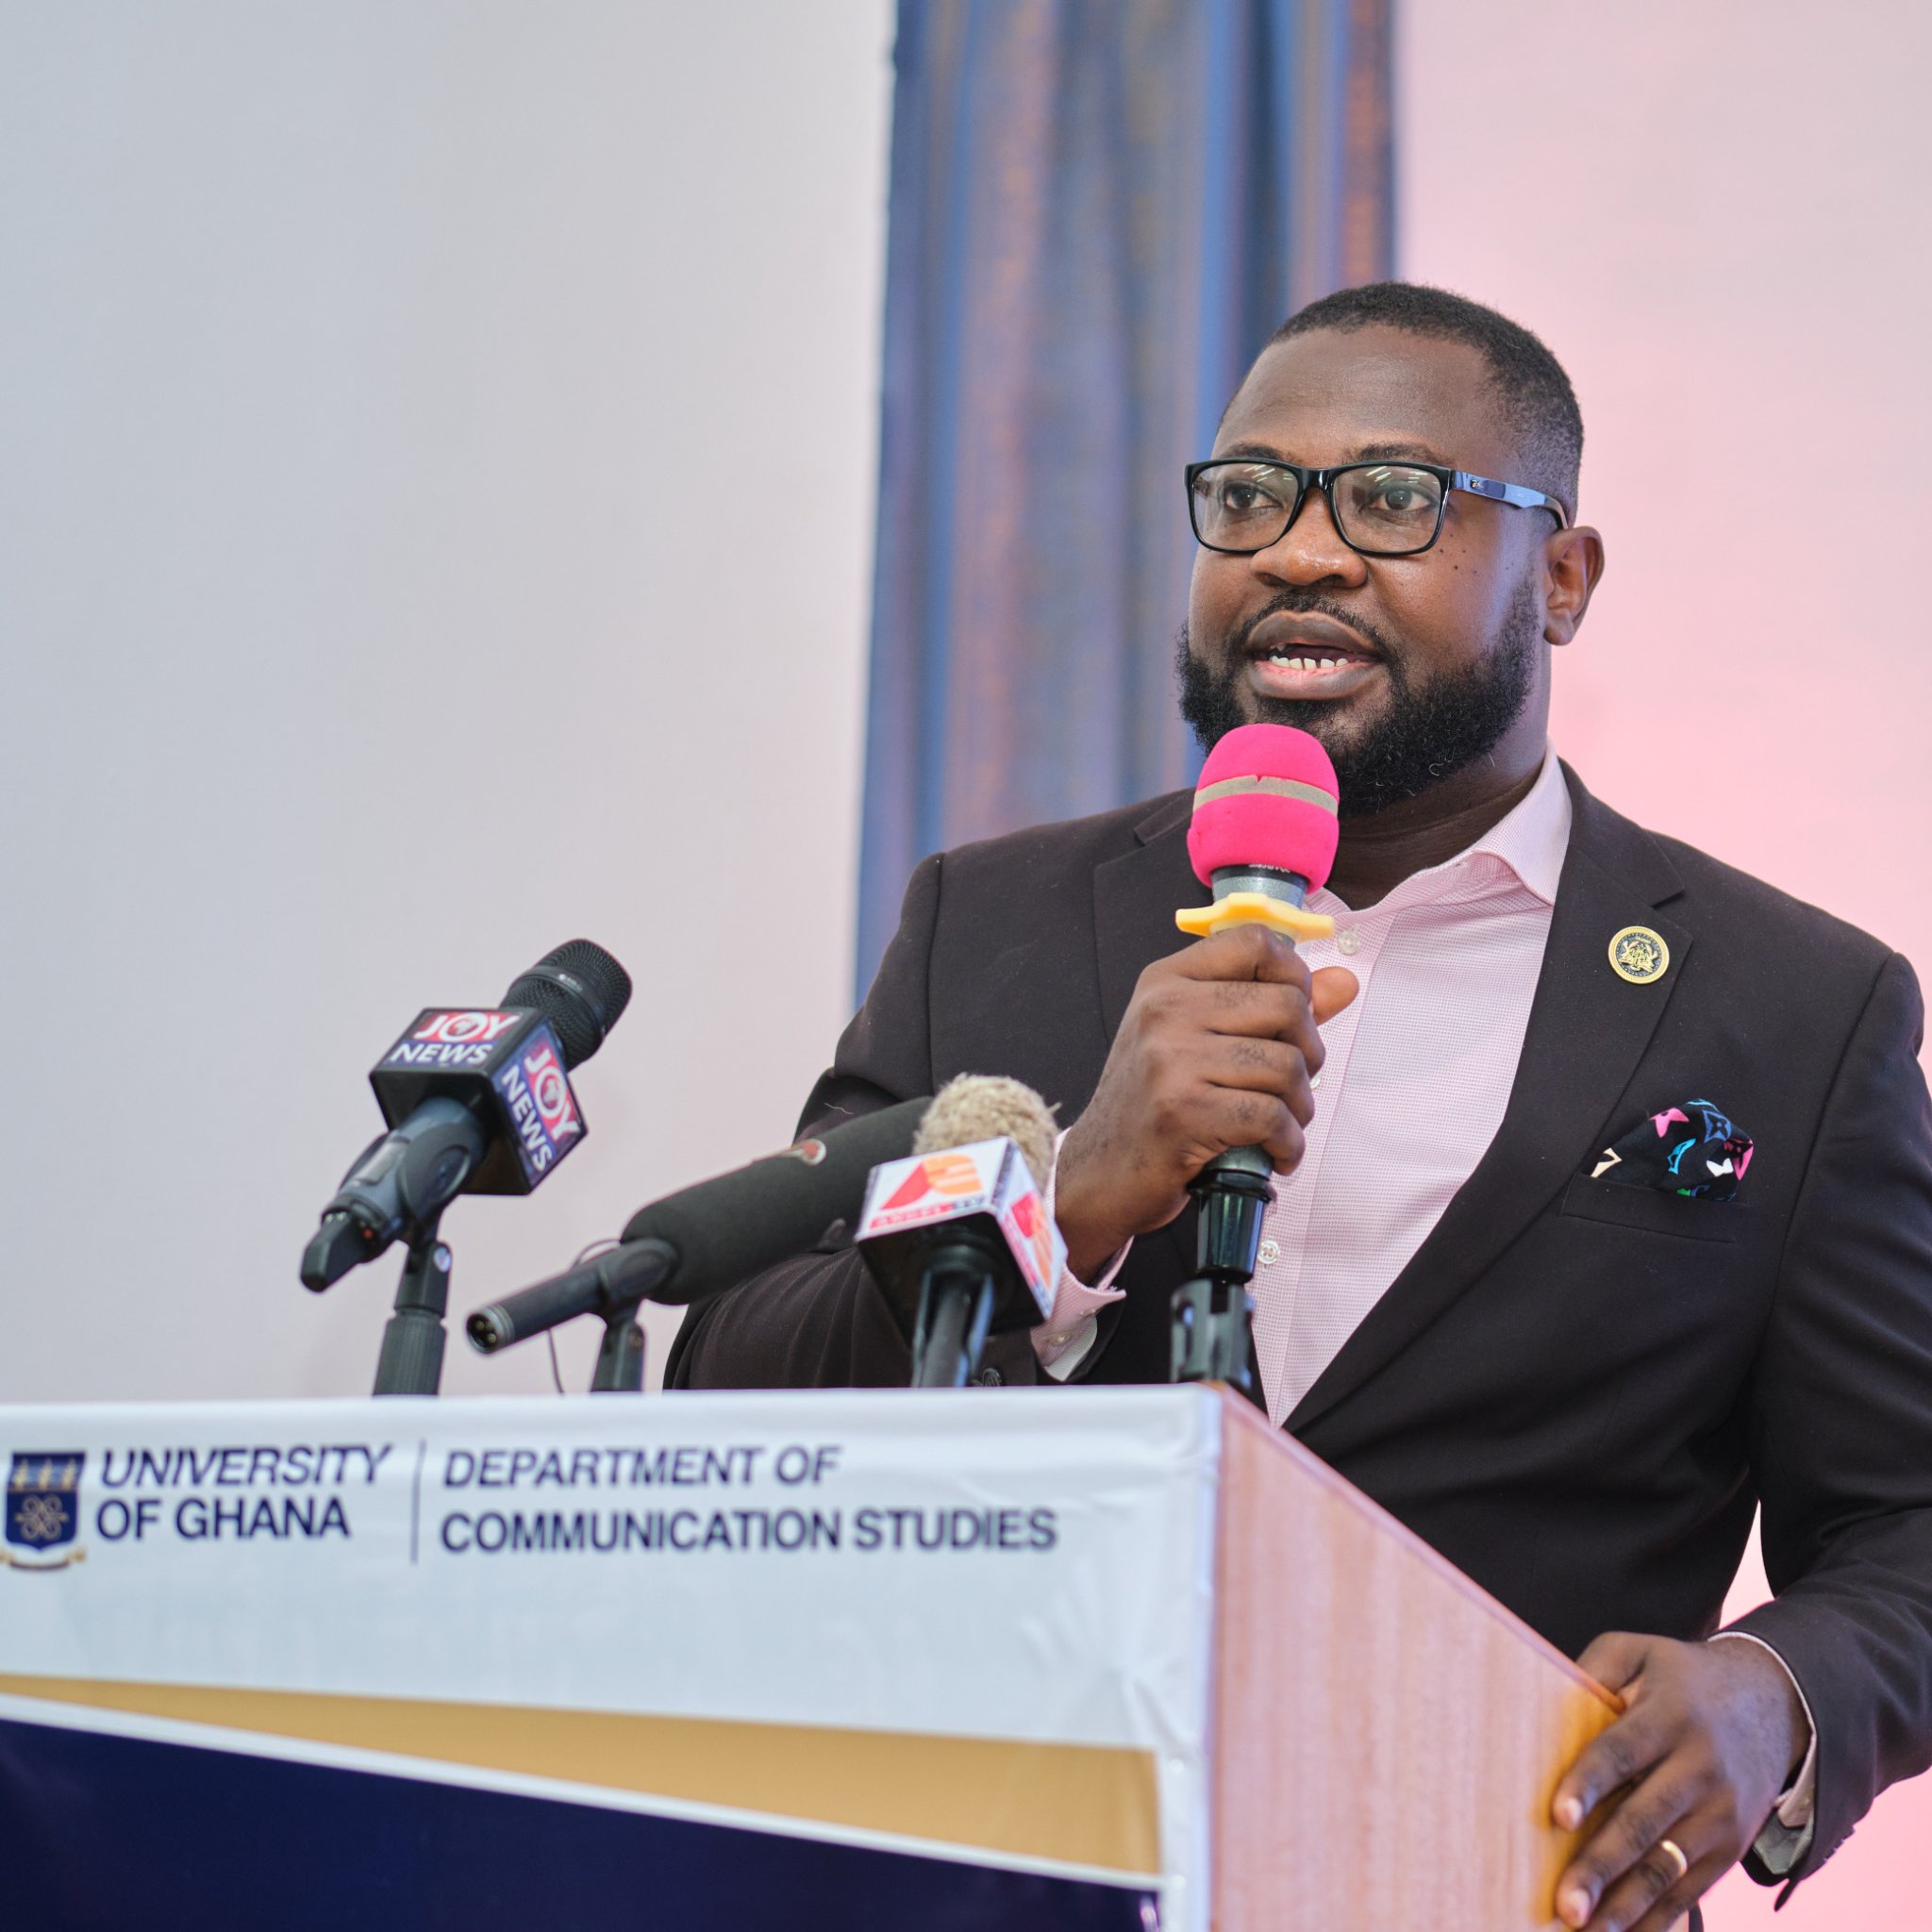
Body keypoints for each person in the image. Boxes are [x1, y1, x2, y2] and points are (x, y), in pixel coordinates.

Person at [668, 283, 1932, 1932]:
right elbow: (731, 1372)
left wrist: (1780, 1697)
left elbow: (1907, 1524)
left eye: (1393, 499)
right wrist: (1068, 1203)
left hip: (1494, 1885)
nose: (1302, 553)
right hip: (998, 1883)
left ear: (1561, 578)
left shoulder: (1792, 1008)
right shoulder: (994, 919)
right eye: (1251, 496)